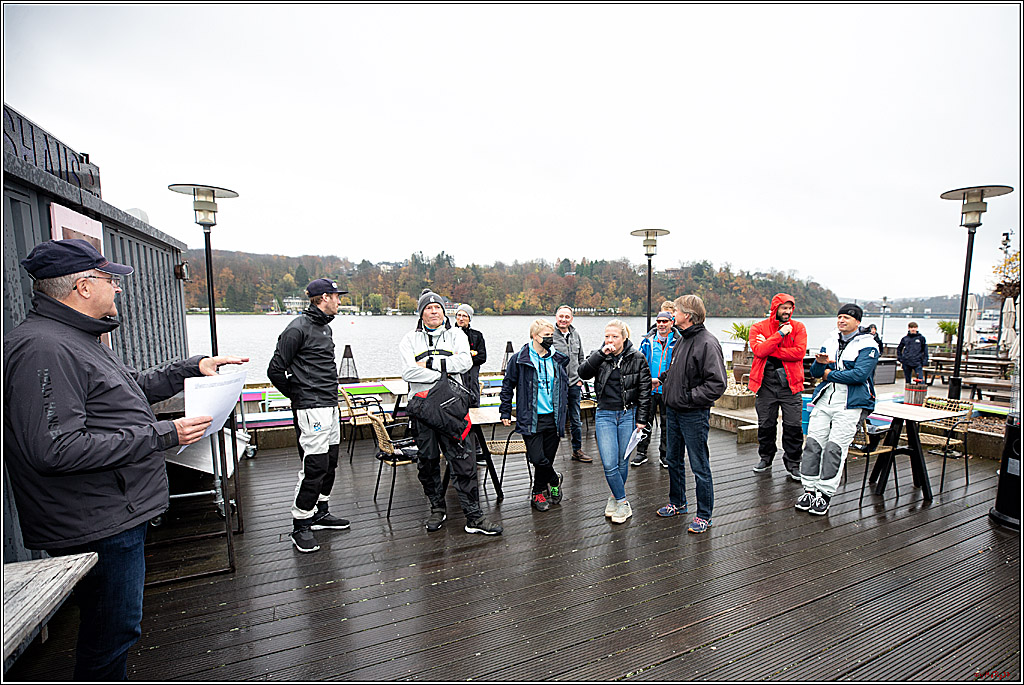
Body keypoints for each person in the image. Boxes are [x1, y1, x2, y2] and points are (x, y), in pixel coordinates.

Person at [3, 239, 247, 680]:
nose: (117, 288)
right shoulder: (43, 349)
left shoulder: (77, 338)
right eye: (110, 279)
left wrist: (189, 368)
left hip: (112, 512)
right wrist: (162, 434)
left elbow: (124, 389)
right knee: (111, 636)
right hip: (96, 522)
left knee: (115, 630)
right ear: (82, 286)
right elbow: (54, 449)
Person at [400, 290, 503, 535]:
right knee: (427, 461)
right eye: (428, 308)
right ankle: (437, 507)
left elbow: (465, 363)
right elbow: (408, 372)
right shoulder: (409, 340)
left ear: (443, 311)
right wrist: (445, 374)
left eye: (438, 307)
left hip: (452, 409)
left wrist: (431, 365)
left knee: (464, 460)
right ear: (421, 313)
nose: (434, 311)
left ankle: (474, 517)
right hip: (422, 408)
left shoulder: (456, 335)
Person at [268, 278, 352, 553]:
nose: (340, 301)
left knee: (330, 461)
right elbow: (275, 370)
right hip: (311, 408)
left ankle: (320, 511)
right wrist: (299, 395)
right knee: (314, 465)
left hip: (329, 404)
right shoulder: (297, 329)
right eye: (337, 296)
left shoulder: (324, 328)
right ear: (324, 297)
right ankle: (301, 523)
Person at [797, 304, 879, 516]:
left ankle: (824, 494)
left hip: (850, 404)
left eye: (847, 318)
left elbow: (859, 376)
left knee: (835, 449)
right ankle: (809, 489)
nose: (841, 321)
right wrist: (819, 364)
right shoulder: (830, 341)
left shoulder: (868, 346)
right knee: (813, 444)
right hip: (825, 400)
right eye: (839, 317)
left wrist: (828, 374)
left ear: (858, 322)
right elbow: (815, 372)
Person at [659, 295, 727, 534]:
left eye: (675, 311)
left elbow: (717, 384)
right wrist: (664, 380)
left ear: (687, 315)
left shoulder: (708, 342)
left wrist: (688, 397)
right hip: (674, 411)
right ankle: (678, 503)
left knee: (699, 465)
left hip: (693, 414)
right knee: (673, 460)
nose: (671, 315)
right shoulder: (682, 340)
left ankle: (704, 515)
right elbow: (681, 372)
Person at [578, 320, 651, 524]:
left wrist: (642, 419)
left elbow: (645, 391)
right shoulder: (599, 355)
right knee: (609, 463)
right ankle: (623, 501)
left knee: (622, 461)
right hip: (605, 415)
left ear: (624, 338)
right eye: (607, 336)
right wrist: (602, 354)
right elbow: (583, 373)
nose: (610, 340)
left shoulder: (637, 357)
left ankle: (614, 498)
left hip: (628, 414)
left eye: (614, 337)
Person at [499, 319, 569, 511]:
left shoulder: (558, 359)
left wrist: (567, 411)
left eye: (551, 336)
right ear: (534, 336)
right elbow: (507, 386)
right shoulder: (520, 359)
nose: (550, 339)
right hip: (531, 417)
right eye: (546, 336)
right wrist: (505, 410)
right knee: (537, 458)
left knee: (547, 458)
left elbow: (564, 388)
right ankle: (554, 480)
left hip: (553, 418)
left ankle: (537, 493)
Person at [748, 293, 808, 481]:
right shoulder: (758, 327)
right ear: (775, 308)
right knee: (765, 425)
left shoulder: (798, 327)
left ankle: (793, 463)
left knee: (793, 426)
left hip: (790, 385)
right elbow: (758, 351)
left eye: (790, 308)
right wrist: (780, 334)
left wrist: (770, 348)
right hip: (765, 384)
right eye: (784, 308)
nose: (787, 312)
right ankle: (765, 458)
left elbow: (799, 353)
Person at [634, 310, 678, 468]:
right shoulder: (648, 341)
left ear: (671, 323)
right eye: (659, 321)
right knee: (644, 421)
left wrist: (663, 381)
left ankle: (664, 455)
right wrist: (645, 381)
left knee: (667, 423)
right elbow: (639, 362)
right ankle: (641, 452)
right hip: (649, 389)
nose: (661, 324)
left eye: (665, 321)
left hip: (668, 390)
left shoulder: (678, 341)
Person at [551, 305, 591, 462]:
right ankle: (550, 452)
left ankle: (577, 450)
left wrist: (581, 378)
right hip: (556, 385)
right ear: (556, 317)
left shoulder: (575, 335)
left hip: (574, 384)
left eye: (567, 317)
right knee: (555, 418)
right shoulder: (550, 335)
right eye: (561, 316)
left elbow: (581, 358)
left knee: (576, 418)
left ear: (571, 319)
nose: (563, 319)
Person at [454, 304, 486, 407]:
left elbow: (482, 357)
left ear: (469, 319)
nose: (461, 319)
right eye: (459, 315)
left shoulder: (477, 335)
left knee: (474, 409)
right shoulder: (449, 335)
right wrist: (470, 354)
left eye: (464, 316)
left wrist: (463, 357)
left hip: (472, 381)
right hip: (456, 381)